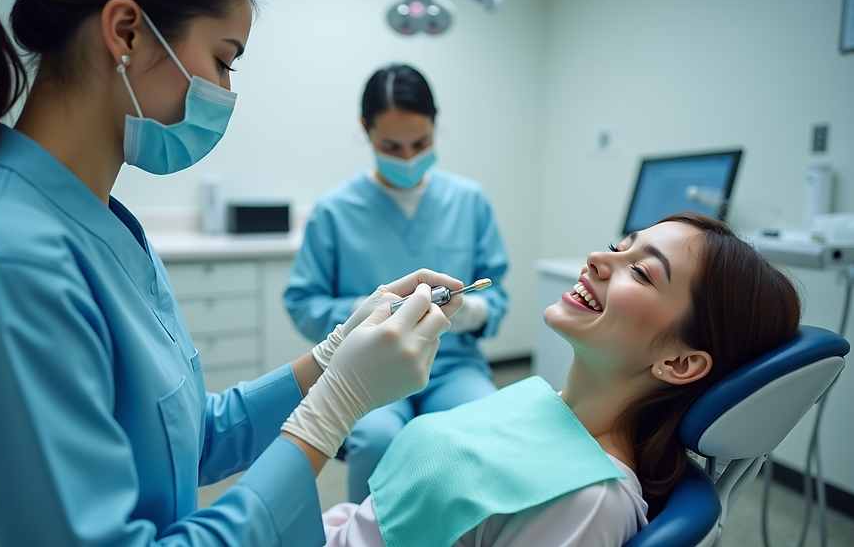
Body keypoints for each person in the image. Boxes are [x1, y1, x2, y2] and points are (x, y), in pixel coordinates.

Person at [0, 0, 467, 545]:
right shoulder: (3, 263)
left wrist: (329, 359)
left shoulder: (101, 224)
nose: (226, 91)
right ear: (126, 31)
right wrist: (331, 412)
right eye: (224, 60)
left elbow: (187, 438)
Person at [319, 213, 802, 547]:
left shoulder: (589, 502)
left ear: (680, 363)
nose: (595, 258)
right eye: (618, 247)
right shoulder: (539, 398)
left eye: (640, 271)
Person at [284, 63, 510, 502]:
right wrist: (375, 312)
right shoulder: (334, 211)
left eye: (420, 143)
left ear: (435, 124)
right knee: (377, 440)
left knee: (484, 428)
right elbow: (303, 301)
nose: (407, 157)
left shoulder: (469, 201)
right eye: (391, 146)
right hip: (370, 366)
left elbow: (497, 291)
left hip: (453, 366)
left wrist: (476, 311)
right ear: (365, 130)